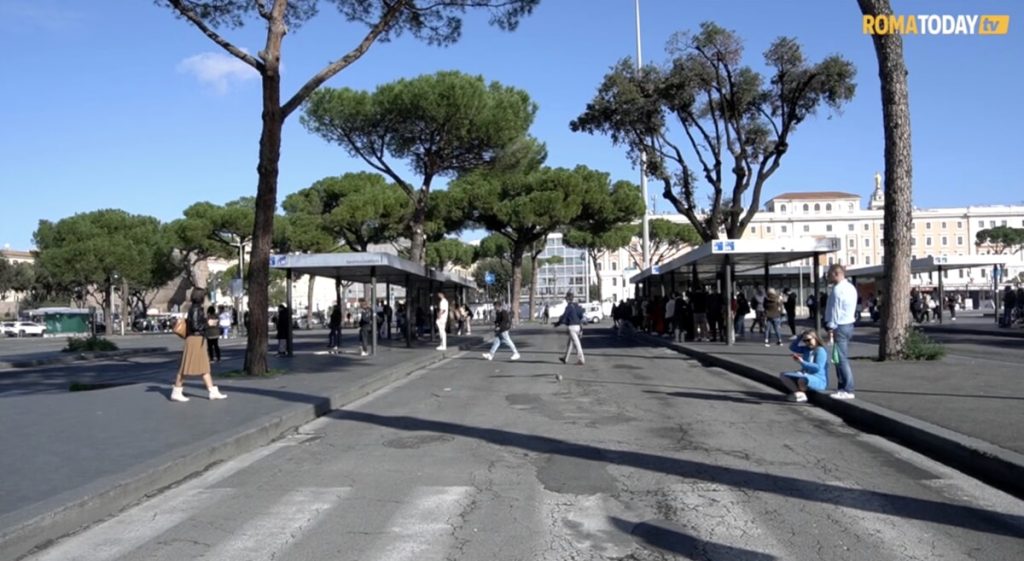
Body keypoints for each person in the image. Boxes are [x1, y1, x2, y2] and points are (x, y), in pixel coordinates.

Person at [170, 289, 227, 403]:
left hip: (197, 340)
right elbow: (196, 326)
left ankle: (212, 391)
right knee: (186, 367)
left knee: (204, 366)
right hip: (195, 340)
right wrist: (208, 323)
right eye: (204, 296)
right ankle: (177, 391)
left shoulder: (194, 308)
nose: (205, 298)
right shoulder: (196, 309)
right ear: (200, 297)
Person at [825, 264, 857, 399]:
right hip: (849, 323)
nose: (828, 277)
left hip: (840, 325)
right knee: (838, 358)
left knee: (841, 359)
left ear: (836, 274)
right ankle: (842, 387)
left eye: (829, 274)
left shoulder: (837, 290)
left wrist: (831, 328)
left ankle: (847, 389)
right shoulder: (851, 287)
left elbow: (834, 310)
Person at [779, 329, 829, 403]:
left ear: (815, 338)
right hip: (806, 375)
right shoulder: (806, 349)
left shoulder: (820, 350)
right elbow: (792, 347)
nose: (807, 343)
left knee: (801, 380)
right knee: (783, 375)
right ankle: (801, 393)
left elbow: (818, 368)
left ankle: (800, 394)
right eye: (804, 341)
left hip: (818, 378)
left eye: (809, 340)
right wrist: (800, 337)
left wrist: (802, 362)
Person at [554, 291, 586, 365]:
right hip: (578, 326)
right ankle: (565, 358)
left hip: (572, 327)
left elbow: (564, 317)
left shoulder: (568, 307)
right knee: (570, 343)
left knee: (577, 344)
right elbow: (581, 314)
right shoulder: (576, 306)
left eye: (566, 299)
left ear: (567, 299)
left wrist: (557, 323)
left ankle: (581, 359)